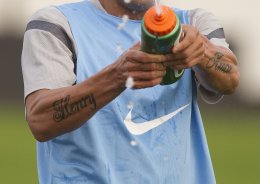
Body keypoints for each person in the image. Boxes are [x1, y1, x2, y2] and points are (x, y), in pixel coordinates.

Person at [21, 0, 239, 183]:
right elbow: (41, 119)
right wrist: (116, 76)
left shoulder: (192, 22)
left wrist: (202, 53)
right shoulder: (56, 23)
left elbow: (230, 79)